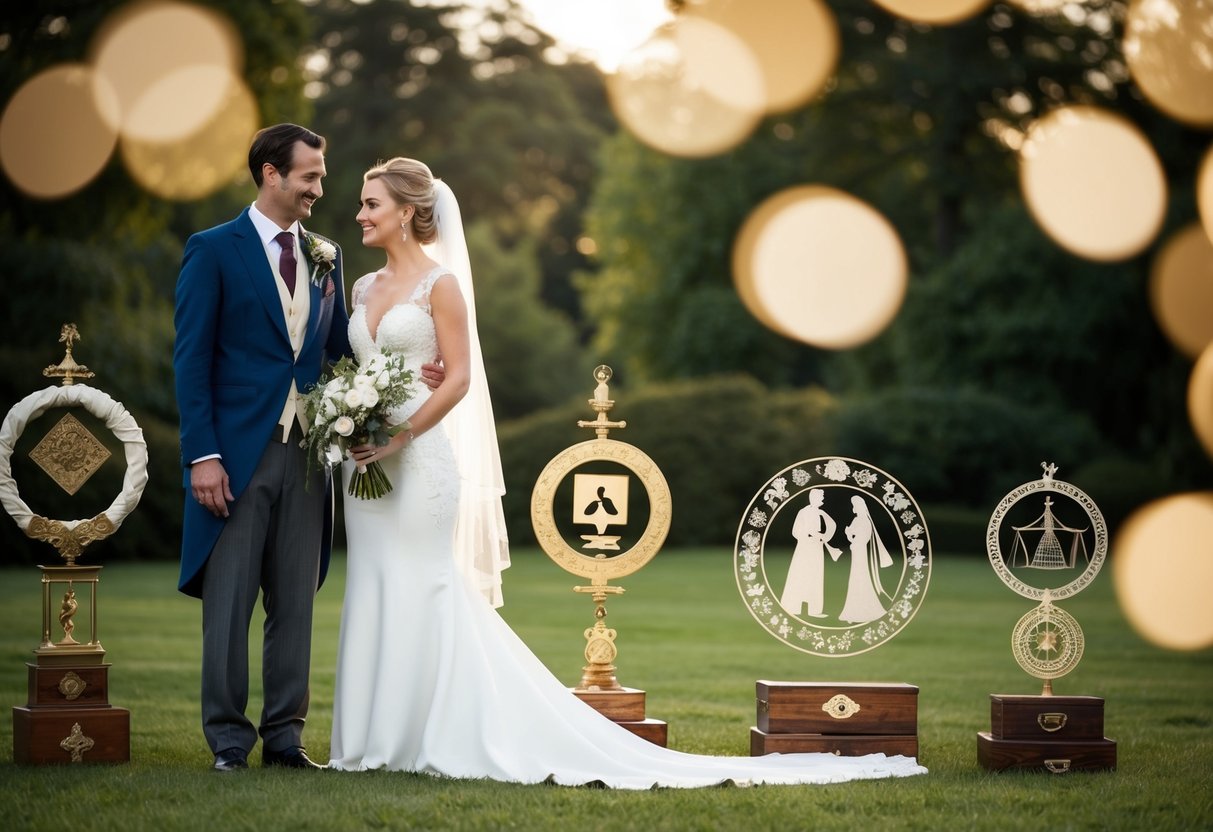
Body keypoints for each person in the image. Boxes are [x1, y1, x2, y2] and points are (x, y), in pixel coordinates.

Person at [327, 156, 926, 787]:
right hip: (364, 466)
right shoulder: (363, 289)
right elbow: (356, 368)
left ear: (409, 211)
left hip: (417, 462)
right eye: (362, 203)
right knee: (372, 583)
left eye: (371, 203)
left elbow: (461, 379)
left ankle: (430, 735)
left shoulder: (441, 286)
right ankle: (369, 740)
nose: (360, 213)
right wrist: (348, 416)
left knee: (424, 586)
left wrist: (400, 434)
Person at [173, 124, 351, 772]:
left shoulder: (327, 255)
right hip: (236, 458)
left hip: (308, 458)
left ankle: (284, 738)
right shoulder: (213, 249)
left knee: (295, 604)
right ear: (271, 174)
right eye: (309, 175)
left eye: (320, 175)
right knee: (229, 605)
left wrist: (393, 390)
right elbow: (191, 361)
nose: (318, 188)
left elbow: (338, 353)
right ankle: (227, 741)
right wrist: (203, 455)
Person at [779, 488, 840, 618]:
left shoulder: (821, 513)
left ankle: (815, 609)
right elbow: (795, 531)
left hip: (816, 548)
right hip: (804, 548)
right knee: (800, 574)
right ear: (814, 498)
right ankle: (793, 606)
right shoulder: (803, 512)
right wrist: (808, 534)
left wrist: (823, 536)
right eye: (821, 497)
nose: (822, 499)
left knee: (816, 575)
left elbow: (831, 525)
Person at [838, 495, 896, 624]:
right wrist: (849, 534)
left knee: (860, 578)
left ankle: (864, 612)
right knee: (855, 580)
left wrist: (853, 540)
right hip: (857, 552)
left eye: (856, 505)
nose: (854, 508)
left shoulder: (864, 521)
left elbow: (863, 538)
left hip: (860, 553)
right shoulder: (857, 520)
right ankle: (853, 611)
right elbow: (853, 537)